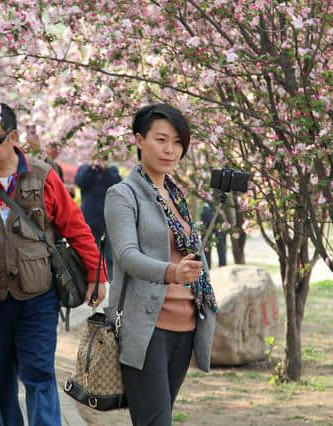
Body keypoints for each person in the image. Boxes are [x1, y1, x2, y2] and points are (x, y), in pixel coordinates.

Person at [0, 103, 106, 426]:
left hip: (38, 296)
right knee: (1, 378)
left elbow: (76, 227)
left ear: (13, 137)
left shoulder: (43, 176)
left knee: (38, 373)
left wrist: (97, 274)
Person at [104, 103, 219, 425]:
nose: (171, 150)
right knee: (156, 421)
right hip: (147, 328)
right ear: (139, 140)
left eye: (178, 142)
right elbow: (126, 255)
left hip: (185, 326)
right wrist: (171, 272)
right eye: (162, 139)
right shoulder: (122, 194)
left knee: (161, 417)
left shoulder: (177, 197)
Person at [75, 158, 121, 273]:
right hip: (88, 220)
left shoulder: (112, 171)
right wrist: (91, 168)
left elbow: (118, 186)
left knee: (110, 256)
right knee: (90, 254)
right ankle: (91, 280)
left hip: (108, 221)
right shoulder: (85, 169)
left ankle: (110, 284)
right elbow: (80, 182)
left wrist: (106, 171)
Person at [200, 202, 228, 268]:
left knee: (220, 244)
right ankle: (207, 267)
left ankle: (222, 266)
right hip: (208, 212)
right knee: (207, 244)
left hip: (217, 210)